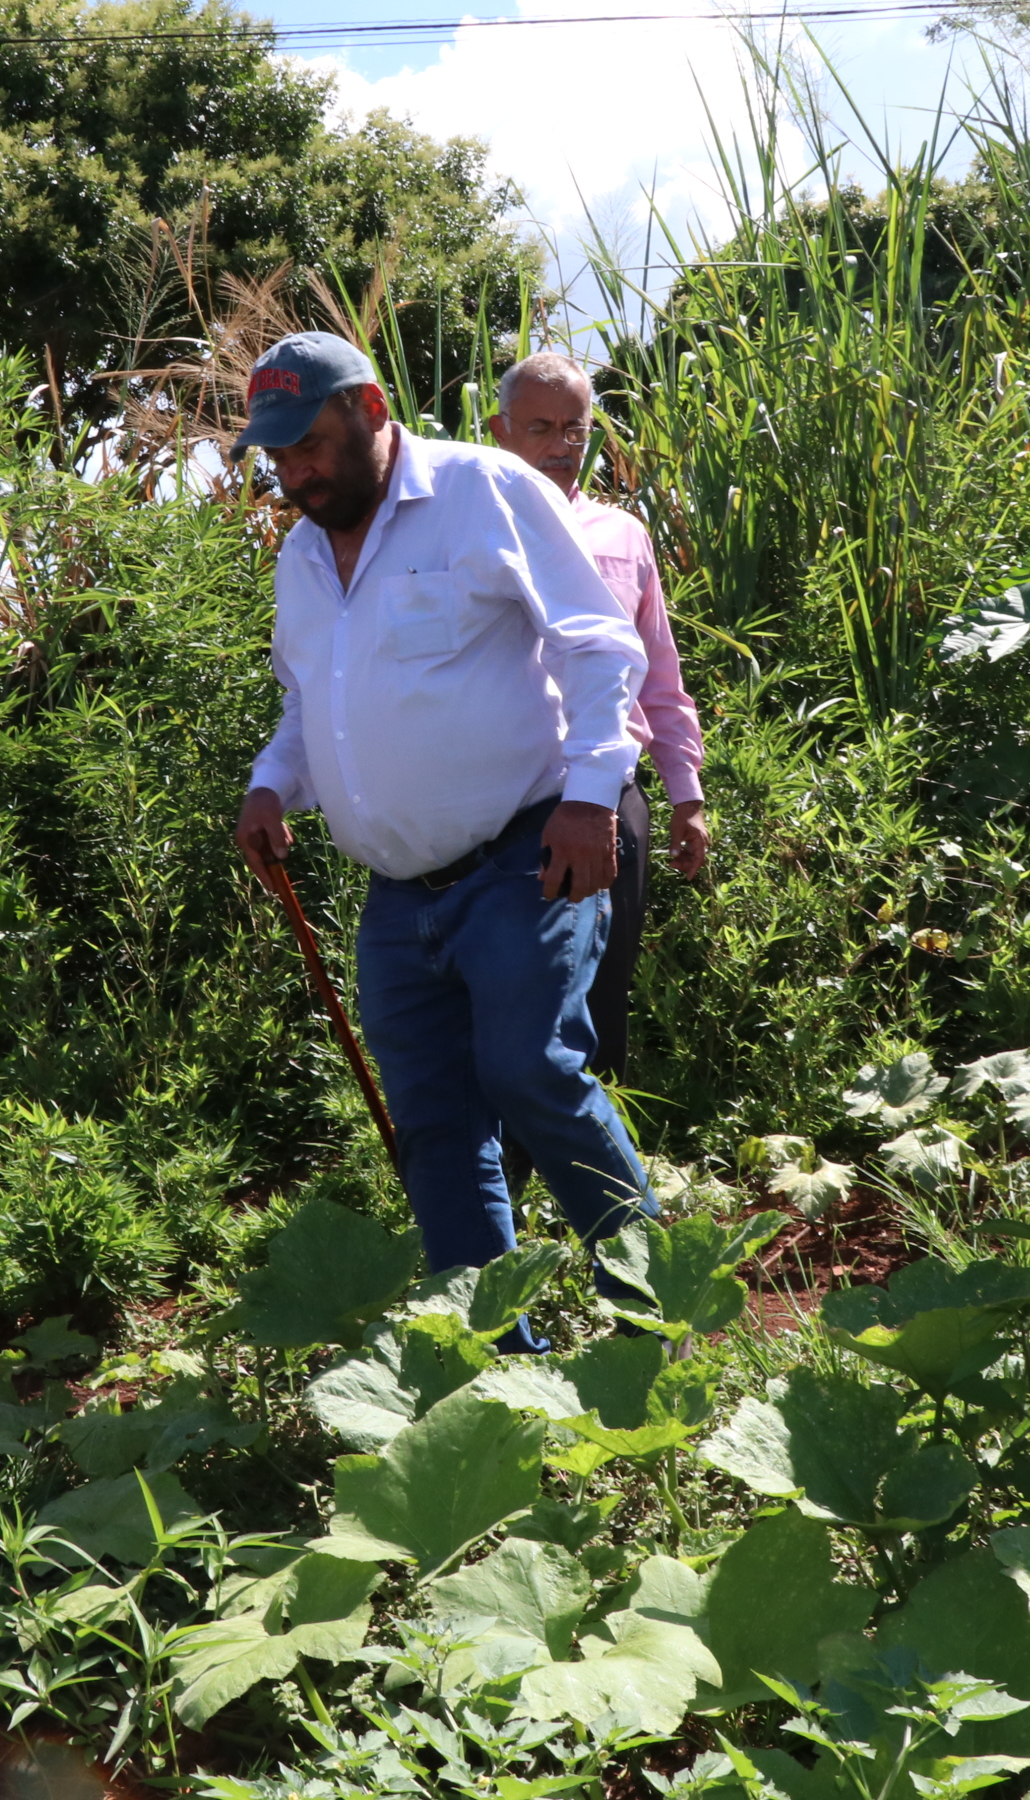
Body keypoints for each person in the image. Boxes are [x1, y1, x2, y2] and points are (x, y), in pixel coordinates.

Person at [231, 331, 657, 1354]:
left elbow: (600, 643)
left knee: (530, 1071)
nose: (297, 472)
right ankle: (497, 1360)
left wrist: (593, 798)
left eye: (313, 445)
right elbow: (313, 704)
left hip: (525, 855)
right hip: (398, 896)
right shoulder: (300, 553)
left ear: (373, 410)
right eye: (279, 455)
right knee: (433, 1125)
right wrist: (270, 783)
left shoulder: (484, 490)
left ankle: (656, 1308)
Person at [484, 352, 708, 1076]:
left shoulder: (623, 536)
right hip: (496, 808)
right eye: (541, 428)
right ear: (500, 430)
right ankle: (501, 1178)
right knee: (501, 1004)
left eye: (575, 430)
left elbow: (660, 681)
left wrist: (686, 795)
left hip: (610, 801)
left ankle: (593, 1183)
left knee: (597, 1000)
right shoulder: (465, 535)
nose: (561, 447)